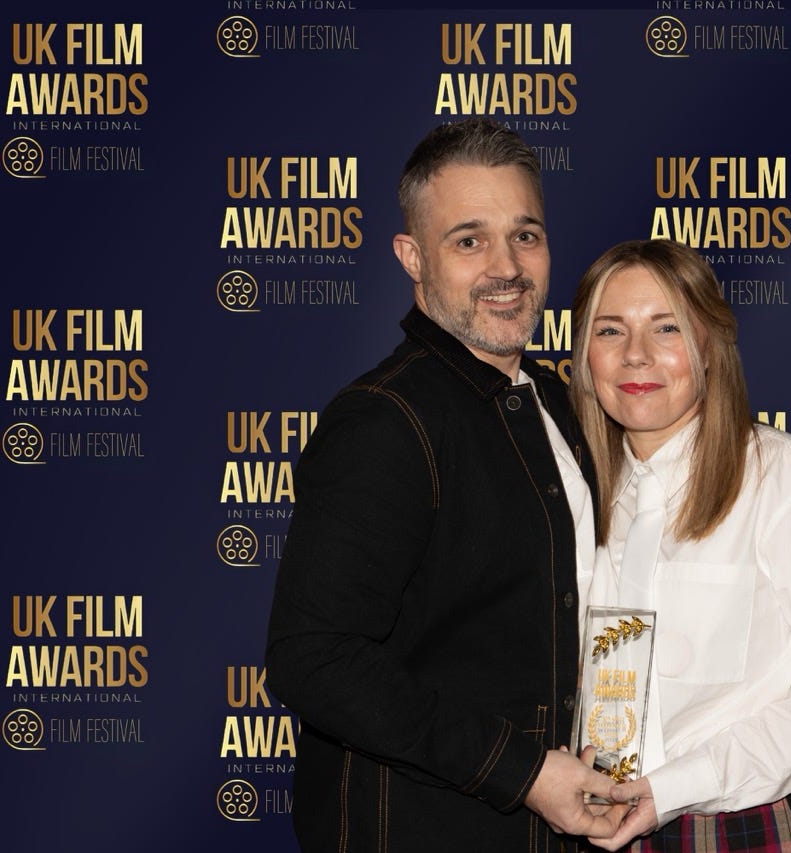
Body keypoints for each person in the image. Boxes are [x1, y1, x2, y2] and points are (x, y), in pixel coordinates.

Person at [265, 118, 620, 852]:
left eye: (525, 235)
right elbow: (314, 657)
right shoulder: (385, 420)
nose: (506, 267)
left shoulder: (559, 403)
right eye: (468, 240)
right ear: (412, 256)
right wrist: (523, 772)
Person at [568, 239, 791, 851]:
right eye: (610, 331)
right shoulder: (571, 492)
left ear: (710, 347)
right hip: (596, 823)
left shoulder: (780, 474)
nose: (636, 354)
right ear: (584, 357)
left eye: (666, 327)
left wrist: (680, 784)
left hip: (748, 825)